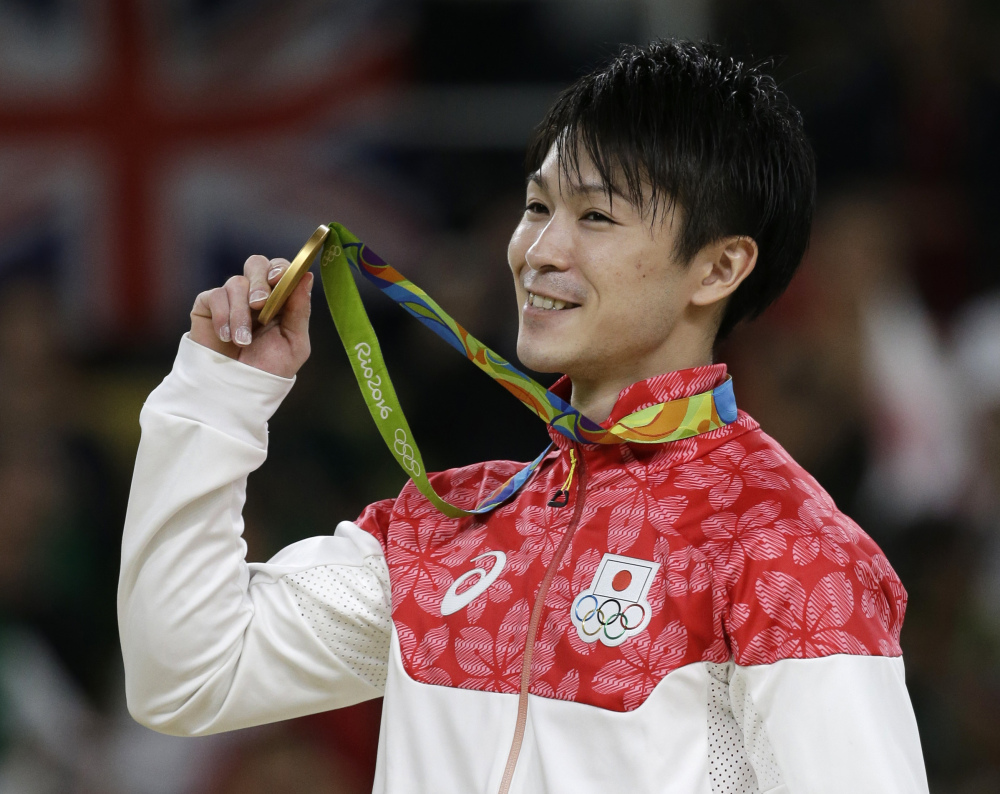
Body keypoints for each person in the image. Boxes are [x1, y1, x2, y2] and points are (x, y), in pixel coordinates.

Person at [119, 40, 929, 793]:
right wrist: (217, 396)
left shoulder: (784, 551)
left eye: (596, 217)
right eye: (538, 206)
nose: (539, 249)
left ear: (719, 266)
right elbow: (189, 674)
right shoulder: (445, 528)